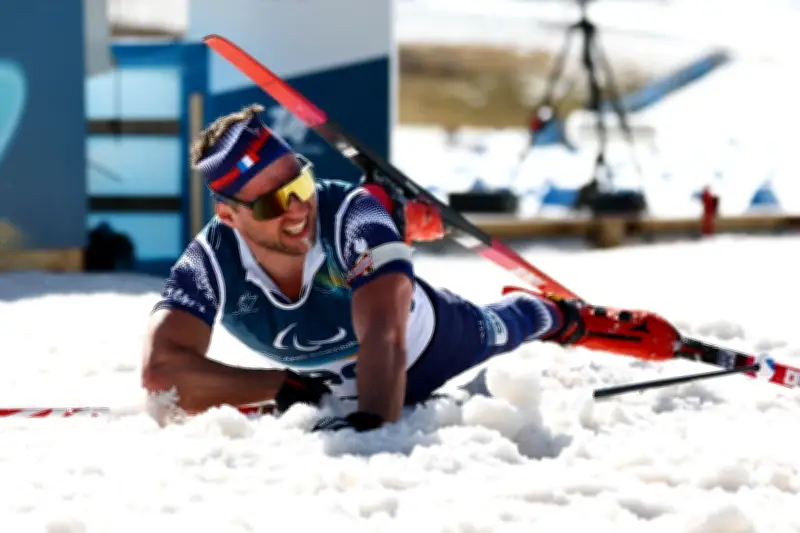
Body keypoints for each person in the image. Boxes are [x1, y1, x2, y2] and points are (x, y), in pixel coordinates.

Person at [140, 104, 680, 432]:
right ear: (228, 214)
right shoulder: (206, 261)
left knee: (512, 322)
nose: (297, 209)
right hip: (327, 381)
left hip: (427, 344)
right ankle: (407, 218)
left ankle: (561, 317)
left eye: (298, 185)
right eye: (270, 204)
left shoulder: (351, 213)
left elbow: (384, 338)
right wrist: (279, 386)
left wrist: (372, 425)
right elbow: (161, 373)